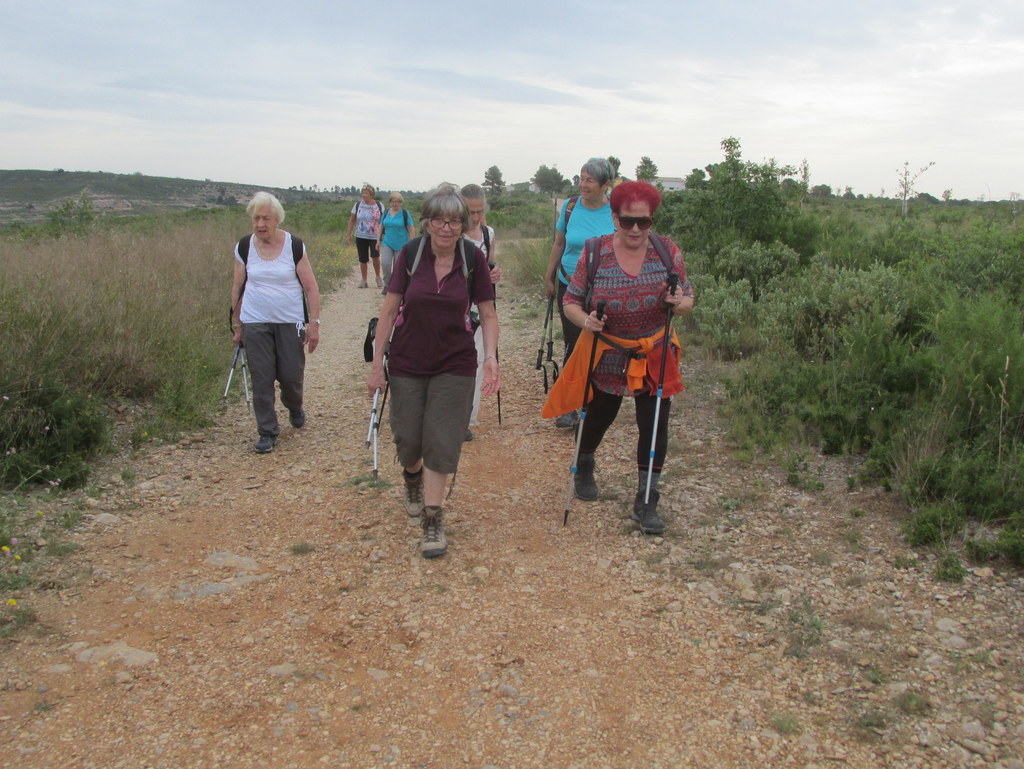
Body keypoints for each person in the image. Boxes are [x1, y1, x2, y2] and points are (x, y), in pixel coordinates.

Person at [542, 181, 694, 534]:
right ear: (614, 218)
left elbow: (687, 299)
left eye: (644, 221)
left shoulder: (667, 250)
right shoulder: (594, 252)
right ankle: (585, 458)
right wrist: (587, 321)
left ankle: (646, 498)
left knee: (654, 423)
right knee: (600, 414)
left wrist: (678, 304)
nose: (637, 229)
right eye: (628, 221)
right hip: (608, 350)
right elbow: (570, 302)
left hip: (655, 350)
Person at [367, 184, 500, 558]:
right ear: (426, 222)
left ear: (464, 223)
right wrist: (377, 364)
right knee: (408, 437)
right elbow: (389, 311)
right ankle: (412, 475)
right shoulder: (410, 254)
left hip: (455, 362)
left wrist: (490, 358)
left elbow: (488, 313)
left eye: (456, 220)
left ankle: (433, 517)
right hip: (409, 359)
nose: (447, 227)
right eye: (439, 219)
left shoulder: (473, 259)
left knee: (442, 440)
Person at [230, 192, 321, 454]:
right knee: (262, 377)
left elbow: (311, 287)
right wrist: (238, 325)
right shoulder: (244, 247)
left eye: (265, 218)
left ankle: (294, 405)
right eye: (256, 218)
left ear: (277, 220)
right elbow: (237, 287)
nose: (260, 224)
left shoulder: (294, 246)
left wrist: (313, 323)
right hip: (255, 320)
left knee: (290, 376)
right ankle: (267, 431)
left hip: (289, 321)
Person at [544, 158, 616, 429]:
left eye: (590, 180)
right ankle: (570, 406)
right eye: (581, 178)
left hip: (604, 290)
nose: (583, 185)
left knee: (601, 346)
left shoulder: (614, 212)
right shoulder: (571, 207)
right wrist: (549, 276)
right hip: (569, 284)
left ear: (605, 185)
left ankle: (595, 401)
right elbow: (559, 243)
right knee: (574, 345)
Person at [460, 183, 502, 440]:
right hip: (456, 306)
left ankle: (465, 418)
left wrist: (494, 273)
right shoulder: (449, 233)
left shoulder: (488, 234)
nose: (474, 217)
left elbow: (490, 266)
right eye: (469, 211)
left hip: (481, 307)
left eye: (478, 211)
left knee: (477, 360)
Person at [376, 191, 416, 293]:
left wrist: (412, 245)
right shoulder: (386, 213)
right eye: (393, 201)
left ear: (400, 202)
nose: (395, 204)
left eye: (397, 201)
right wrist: (378, 240)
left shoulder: (405, 214)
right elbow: (381, 226)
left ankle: (397, 286)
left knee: (398, 267)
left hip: (401, 244)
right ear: (390, 202)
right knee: (385, 264)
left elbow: (411, 230)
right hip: (387, 242)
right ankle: (387, 285)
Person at [345, 184, 384, 288]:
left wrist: (384, 234)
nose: (363, 195)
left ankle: (378, 277)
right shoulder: (357, 205)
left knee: (375, 256)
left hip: (375, 236)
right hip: (361, 235)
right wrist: (348, 235)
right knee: (363, 258)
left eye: (366, 193)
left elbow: (383, 221)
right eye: (363, 193)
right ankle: (364, 280)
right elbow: (352, 219)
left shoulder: (379, 205)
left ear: (371, 194)